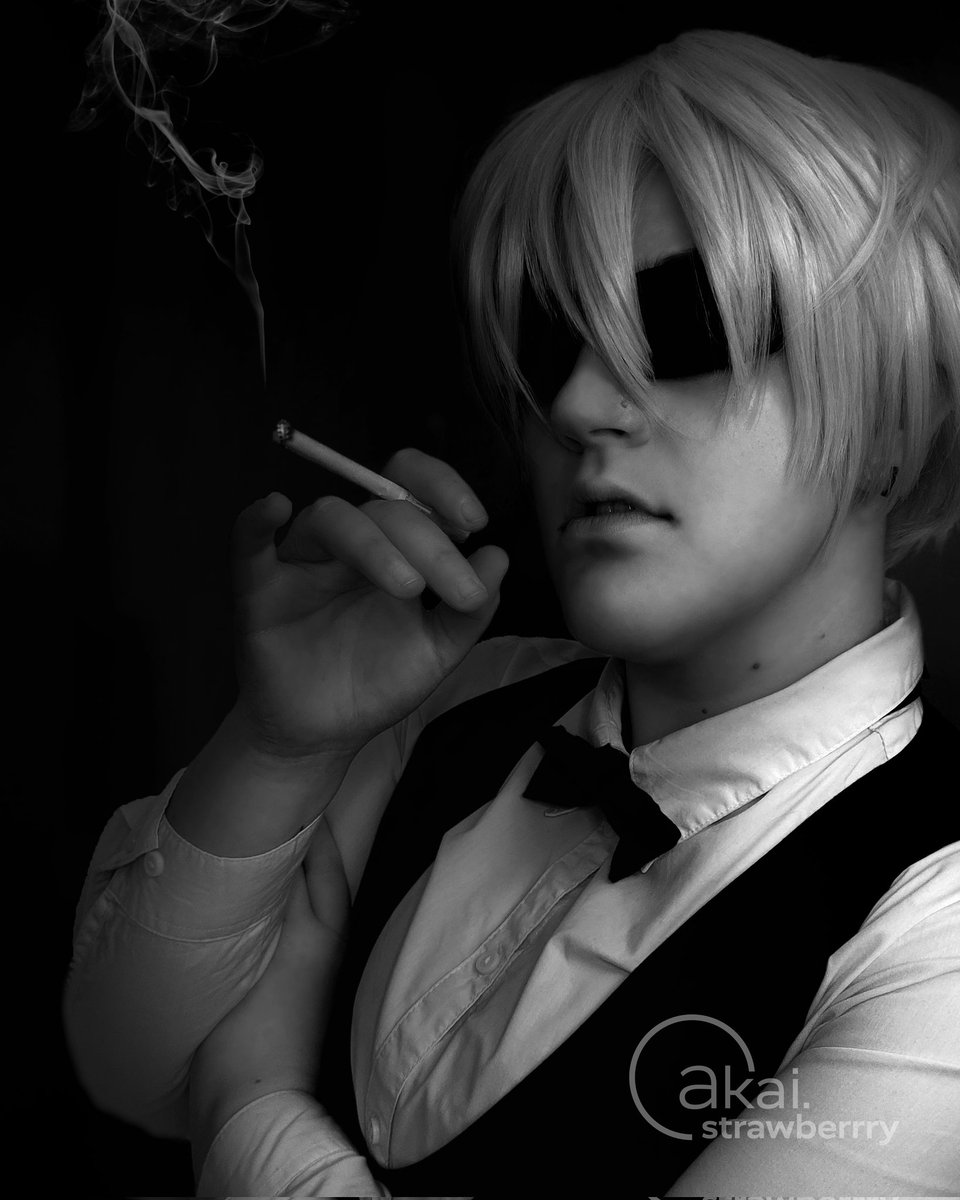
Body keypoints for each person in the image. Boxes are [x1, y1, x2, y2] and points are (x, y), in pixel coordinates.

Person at [63, 27, 960, 1196]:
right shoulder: (450, 706)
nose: (580, 403)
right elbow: (125, 1065)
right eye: (550, 342)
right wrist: (279, 747)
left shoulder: (938, 913)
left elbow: (202, 1085)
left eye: (688, 325)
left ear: (894, 413)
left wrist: (248, 1105)